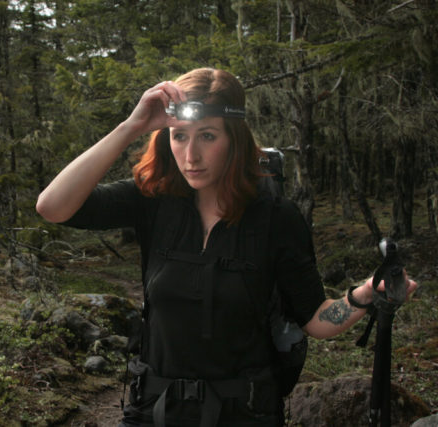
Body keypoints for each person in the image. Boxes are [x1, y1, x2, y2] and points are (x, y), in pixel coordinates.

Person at [35, 68, 417, 426]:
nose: (190, 155)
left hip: (244, 414)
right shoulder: (153, 199)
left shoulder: (275, 218)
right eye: (179, 135)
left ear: (234, 138)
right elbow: (53, 207)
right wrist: (130, 127)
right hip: (153, 410)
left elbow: (314, 317)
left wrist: (367, 293)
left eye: (207, 135)